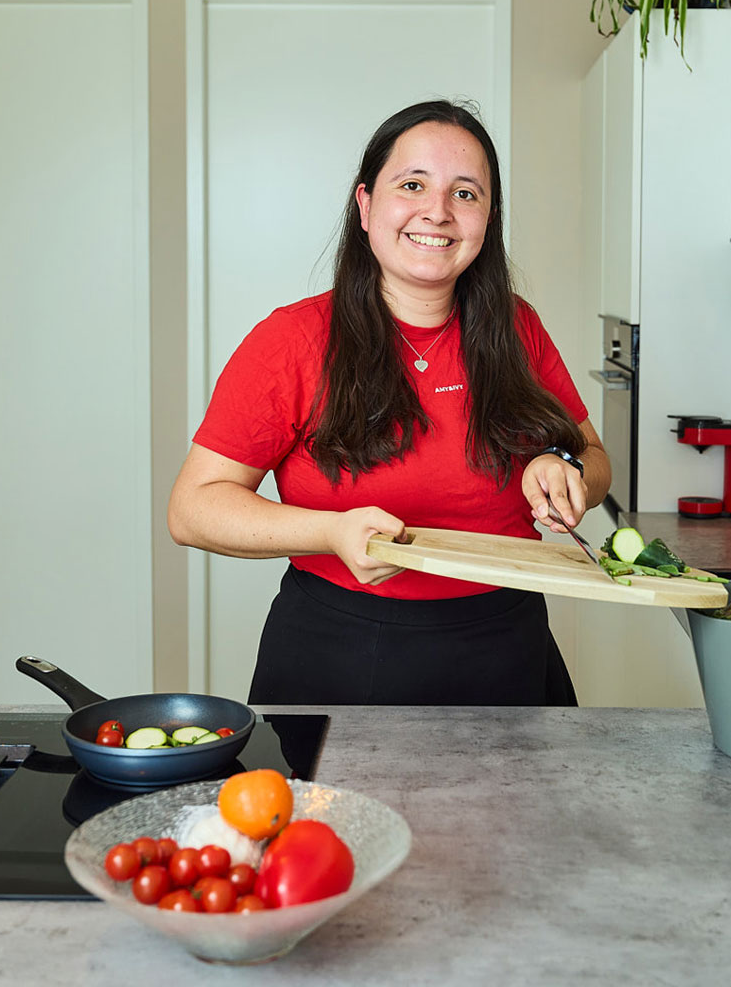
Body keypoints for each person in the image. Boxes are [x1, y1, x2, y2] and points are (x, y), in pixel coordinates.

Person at [167, 99, 611, 707]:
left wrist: (567, 469)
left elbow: (591, 454)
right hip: (338, 649)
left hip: (509, 643)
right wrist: (331, 531)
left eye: (466, 193)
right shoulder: (291, 339)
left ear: (489, 216)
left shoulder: (516, 326)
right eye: (412, 185)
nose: (438, 212)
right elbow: (193, 509)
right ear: (367, 205)